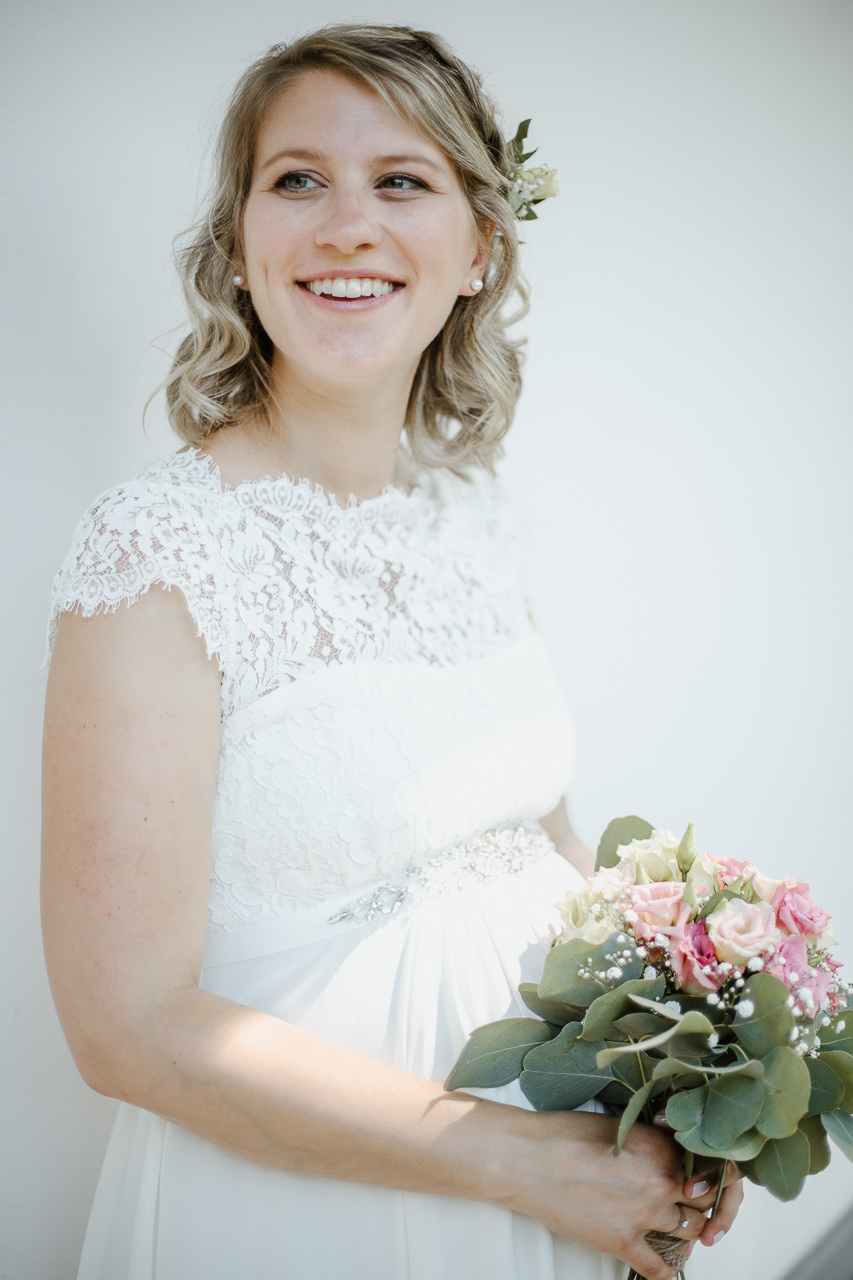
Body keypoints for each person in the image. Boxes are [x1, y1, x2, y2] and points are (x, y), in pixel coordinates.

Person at [41, 25, 742, 1280]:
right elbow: (127, 1028)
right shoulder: (159, 550)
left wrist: (686, 1060)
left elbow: (535, 837)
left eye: (400, 180)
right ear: (240, 245)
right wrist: (524, 1163)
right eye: (297, 178)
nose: (347, 225)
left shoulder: (470, 510)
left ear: (477, 250)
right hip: (314, 1207)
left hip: (562, 1178)